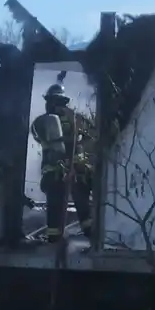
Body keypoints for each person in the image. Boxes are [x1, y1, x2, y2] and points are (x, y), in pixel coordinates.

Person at [29, 83, 96, 242]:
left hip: (55, 171)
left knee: (55, 207)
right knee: (83, 205)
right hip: (78, 170)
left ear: (51, 101)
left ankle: (54, 240)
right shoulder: (78, 118)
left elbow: (36, 133)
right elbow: (92, 135)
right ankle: (92, 237)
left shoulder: (44, 120)